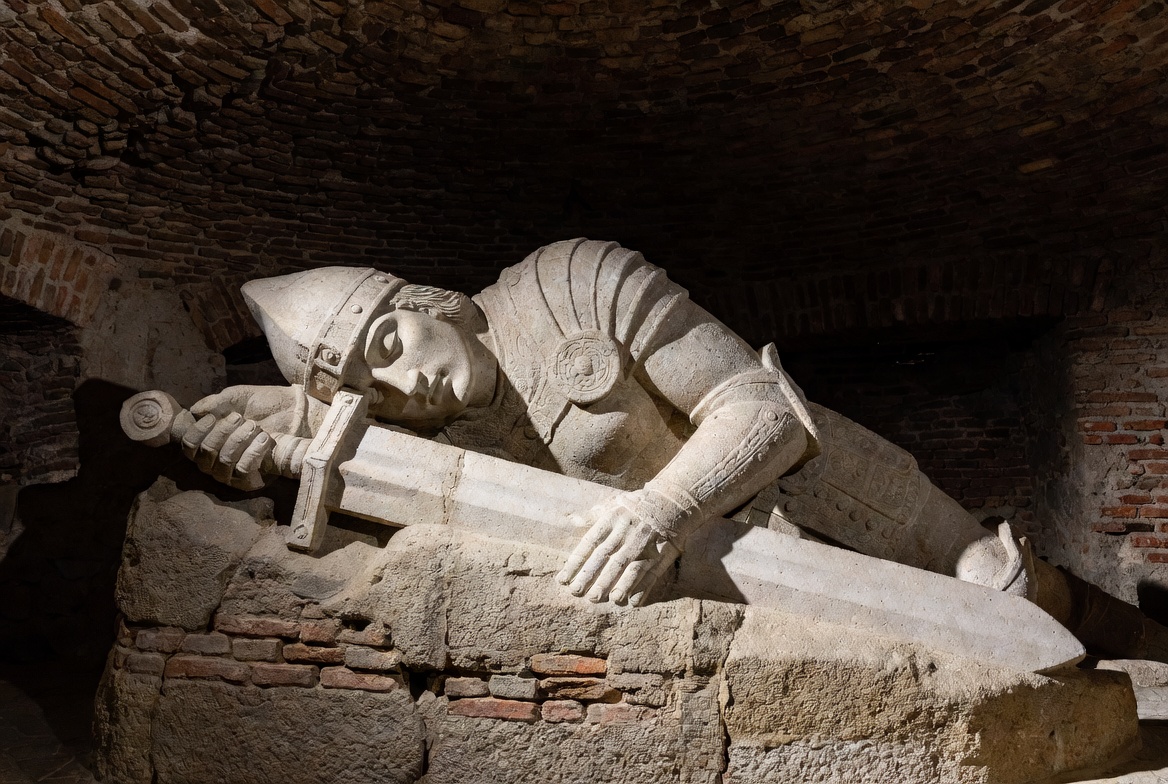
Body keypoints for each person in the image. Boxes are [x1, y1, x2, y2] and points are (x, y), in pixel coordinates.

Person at [183, 238, 1163, 659]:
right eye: (368, 383)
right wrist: (258, 450)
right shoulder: (413, 424)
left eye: (390, 344)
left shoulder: (572, 280)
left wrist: (659, 509)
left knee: (1004, 592)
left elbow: (763, 411)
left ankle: (1144, 638)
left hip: (825, 497)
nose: (403, 385)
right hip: (731, 577)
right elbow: (363, 506)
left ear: (425, 299)